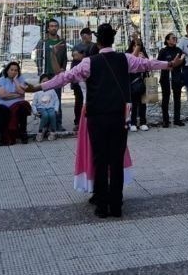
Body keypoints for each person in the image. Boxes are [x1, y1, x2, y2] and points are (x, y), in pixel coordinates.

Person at [26, 22, 180, 217]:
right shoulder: (125, 59)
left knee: (99, 159)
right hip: (120, 115)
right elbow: (148, 64)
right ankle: (116, 206)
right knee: (116, 159)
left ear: (98, 42)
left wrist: (38, 88)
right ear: (113, 40)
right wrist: (170, 64)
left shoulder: (89, 63)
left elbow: (64, 77)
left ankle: (102, 205)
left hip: (96, 116)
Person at [35, 19, 68, 131]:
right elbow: (38, 58)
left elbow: (65, 58)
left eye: (55, 26)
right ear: (48, 28)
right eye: (51, 26)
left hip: (57, 75)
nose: (54, 28)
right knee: (44, 99)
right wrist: (40, 73)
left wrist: (63, 68)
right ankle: (45, 125)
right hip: (46, 75)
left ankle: (58, 124)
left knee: (57, 99)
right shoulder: (43, 42)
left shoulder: (62, 42)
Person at [0, 61, 32, 145]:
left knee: (23, 108)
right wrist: (17, 95)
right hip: (3, 104)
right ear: (7, 70)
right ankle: (2, 136)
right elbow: (3, 95)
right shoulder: (1, 80)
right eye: (11, 70)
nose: (14, 72)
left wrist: (15, 81)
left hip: (18, 105)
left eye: (16, 70)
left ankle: (23, 134)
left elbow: (21, 92)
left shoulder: (20, 79)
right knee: (3, 111)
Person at [71, 26, 98, 131]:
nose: (90, 37)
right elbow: (76, 56)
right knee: (79, 100)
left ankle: (90, 120)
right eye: (88, 35)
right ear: (82, 36)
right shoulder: (77, 46)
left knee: (90, 100)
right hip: (78, 77)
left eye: (90, 35)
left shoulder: (94, 46)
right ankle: (77, 122)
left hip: (91, 77)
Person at [157, 33, 186, 127]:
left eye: (175, 38)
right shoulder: (163, 51)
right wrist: (168, 65)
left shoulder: (178, 50)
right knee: (165, 99)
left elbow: (183, 63)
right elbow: (158, 63)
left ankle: (177, 120)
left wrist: (178, 63)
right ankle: (166, 121)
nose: (174, 39)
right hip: (165, 77)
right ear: (167, 40)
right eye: (172, 38)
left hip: (176, 78)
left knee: (177, 99)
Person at [127, 36, 151, 132]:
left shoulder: (143, 54)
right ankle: (132, 122)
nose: (136, 48)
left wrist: (144, 59)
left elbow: (149, 67)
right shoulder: (128, 55)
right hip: (132, 82)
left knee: (143, 103)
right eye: (135, 46)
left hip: (143, 82)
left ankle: (143, 122)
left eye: (138, 46)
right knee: (133, 103)